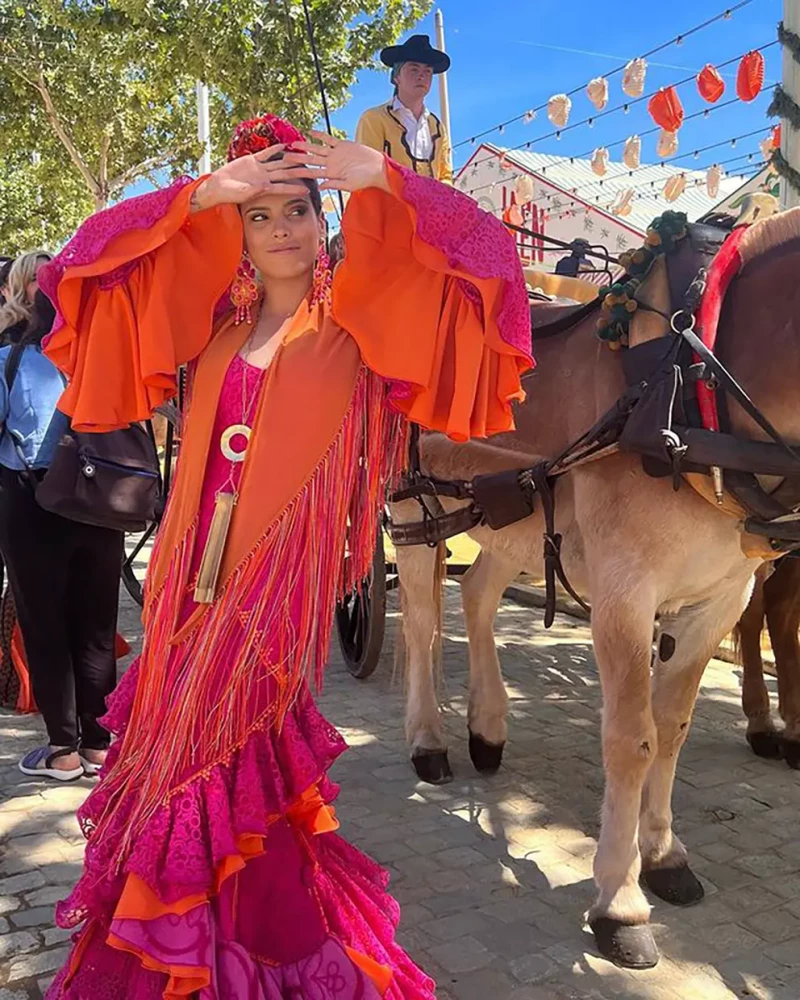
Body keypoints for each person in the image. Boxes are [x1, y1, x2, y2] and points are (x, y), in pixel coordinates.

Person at [39, 113, 531, 998]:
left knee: (215, 758)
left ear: (324, 219)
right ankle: (206, 949)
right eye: (259, 216)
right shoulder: (213, 330)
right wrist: (201, 194)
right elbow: (85, 258)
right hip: (187, 585)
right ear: (237, 232)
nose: (280, 231)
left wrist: (383, 175)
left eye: (298, 209)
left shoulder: (361, 331)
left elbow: (490, 256)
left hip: (271, 597)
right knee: (175, 753)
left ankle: (241, 949)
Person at [0, 290, 124, 780]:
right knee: (96, 625)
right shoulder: (103, 356)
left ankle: (62, 750)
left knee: (45, 626)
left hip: (32, 501)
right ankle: (98, 743)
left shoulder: (9, 360)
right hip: (101, 498)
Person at [356, 34, 453, 184]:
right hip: (388, 206)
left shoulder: (437, 127)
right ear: (396, 77)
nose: (421, 76)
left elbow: (445, 176)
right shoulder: (374, 119)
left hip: (430, 207)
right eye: (414, 70)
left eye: (427, 71)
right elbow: (368, 173)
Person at [0, 250, 52, 346]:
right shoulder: (10, 340)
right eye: (34, 279)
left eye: (49, 274)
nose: (45, 281)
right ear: (22, 293)